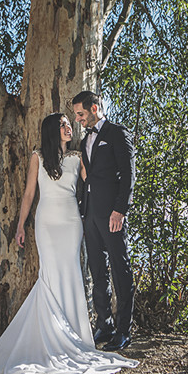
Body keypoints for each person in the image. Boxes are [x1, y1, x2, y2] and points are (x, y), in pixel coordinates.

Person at [0, 112, 136, 374]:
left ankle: (75, 334)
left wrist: (116, 201)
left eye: (69, 123)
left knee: (72, 274)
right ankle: (50, 334)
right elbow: (29, 194)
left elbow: (94, 184)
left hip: (71, 222)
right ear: (53, 130)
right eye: (63, 124)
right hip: (46, 223)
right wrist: (20, 226)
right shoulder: (38, 157)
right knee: (49, 274)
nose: (68, 127)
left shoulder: (78, 157)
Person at [71, 91, 135, 352]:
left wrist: (120, 210)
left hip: (112, 215)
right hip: (90, 216)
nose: (78, 119)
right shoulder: (85, 138)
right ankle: (104, 324)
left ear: (95, 108)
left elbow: (129, 175)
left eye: (81, 114)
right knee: (98, 273)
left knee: (120, 270)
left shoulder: (117, 133)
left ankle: (123, 331)